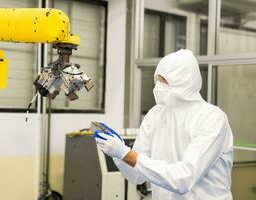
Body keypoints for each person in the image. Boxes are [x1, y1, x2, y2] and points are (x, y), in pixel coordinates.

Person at [94, 49, 233, 200]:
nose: (158, 86)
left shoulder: (212, 118)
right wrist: (118, 153)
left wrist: (127, 154)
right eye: (157, 80)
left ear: (184, 81)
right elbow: (137, 176)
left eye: (164, 80)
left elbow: (183, 179)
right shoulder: (155, 115)